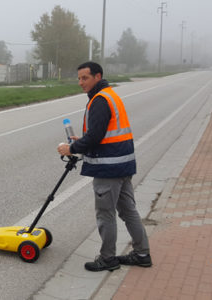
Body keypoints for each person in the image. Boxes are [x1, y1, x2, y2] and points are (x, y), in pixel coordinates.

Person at [57, 62, 152, 272]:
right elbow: (104, 133)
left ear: (97, 76)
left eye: (85, 78)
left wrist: (71, 148)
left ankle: (107, 259)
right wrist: (82, 141)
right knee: (128, 211)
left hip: (108, 167)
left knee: (105, 214)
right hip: (123, 164)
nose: (80, 83)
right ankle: (142, 253)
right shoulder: (111, 95)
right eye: (79, 78)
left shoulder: (100, 100)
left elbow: (96, 136)